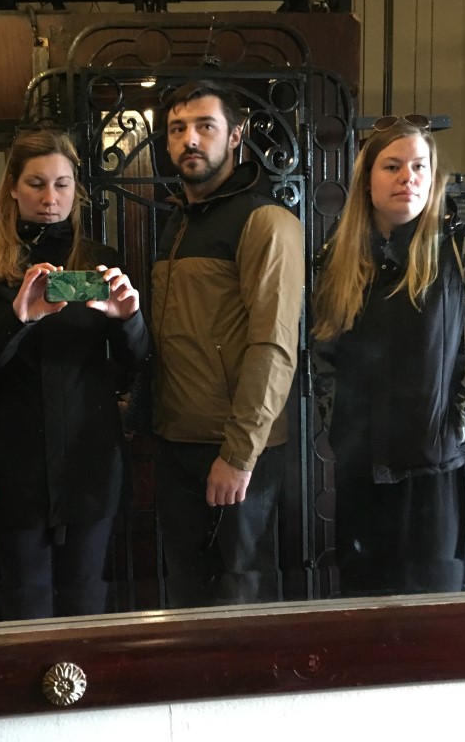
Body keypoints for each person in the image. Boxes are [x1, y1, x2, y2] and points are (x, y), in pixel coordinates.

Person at [311, 114, 465, 597]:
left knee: (432, 612)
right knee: (362, 608)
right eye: (393, 166)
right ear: (367, 180)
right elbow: (323, 355)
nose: (408, 177)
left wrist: (451, 429)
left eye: (420, 166)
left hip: (437, 475)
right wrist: (339, 427)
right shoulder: (337, 257)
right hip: (361, 471)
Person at [0, 127, 150, 621]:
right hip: (16, 463)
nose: (50, 198)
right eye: (36, 183)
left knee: (86, 599)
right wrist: (19, 317)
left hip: (90, 459)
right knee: (24, 603)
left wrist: (128, 319)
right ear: (13, 189)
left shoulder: (99, 263)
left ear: (75, 191)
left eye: (62, 184)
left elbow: (135, 363)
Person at [151, 80, 305, 608]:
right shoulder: (177, 220)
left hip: (237, 451)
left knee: (243, 598)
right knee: (186, 598)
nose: (190, 139)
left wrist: (239, 454)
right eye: (178, 129)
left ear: (236, 135)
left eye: (205, 126)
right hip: (175, 442)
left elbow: (274, 347)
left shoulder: (266, 220)